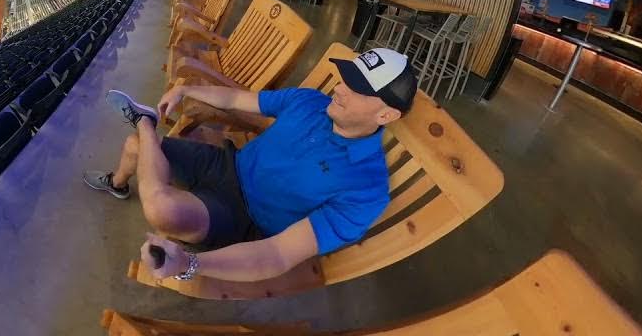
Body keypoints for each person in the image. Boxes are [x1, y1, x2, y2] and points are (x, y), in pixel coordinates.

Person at [83, 47, 416, 283]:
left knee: (161, 210)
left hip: (244, 217)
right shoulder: (312, 101)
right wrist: (185, 88)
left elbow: (278, 254)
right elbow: (234, 99)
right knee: (135, 146)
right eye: (346, 78)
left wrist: (190, 263)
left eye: (356, 89)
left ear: (386, 115)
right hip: (228, 164)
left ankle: (144, 122)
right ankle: (118, 180)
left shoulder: (365, 187)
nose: (339, 88)